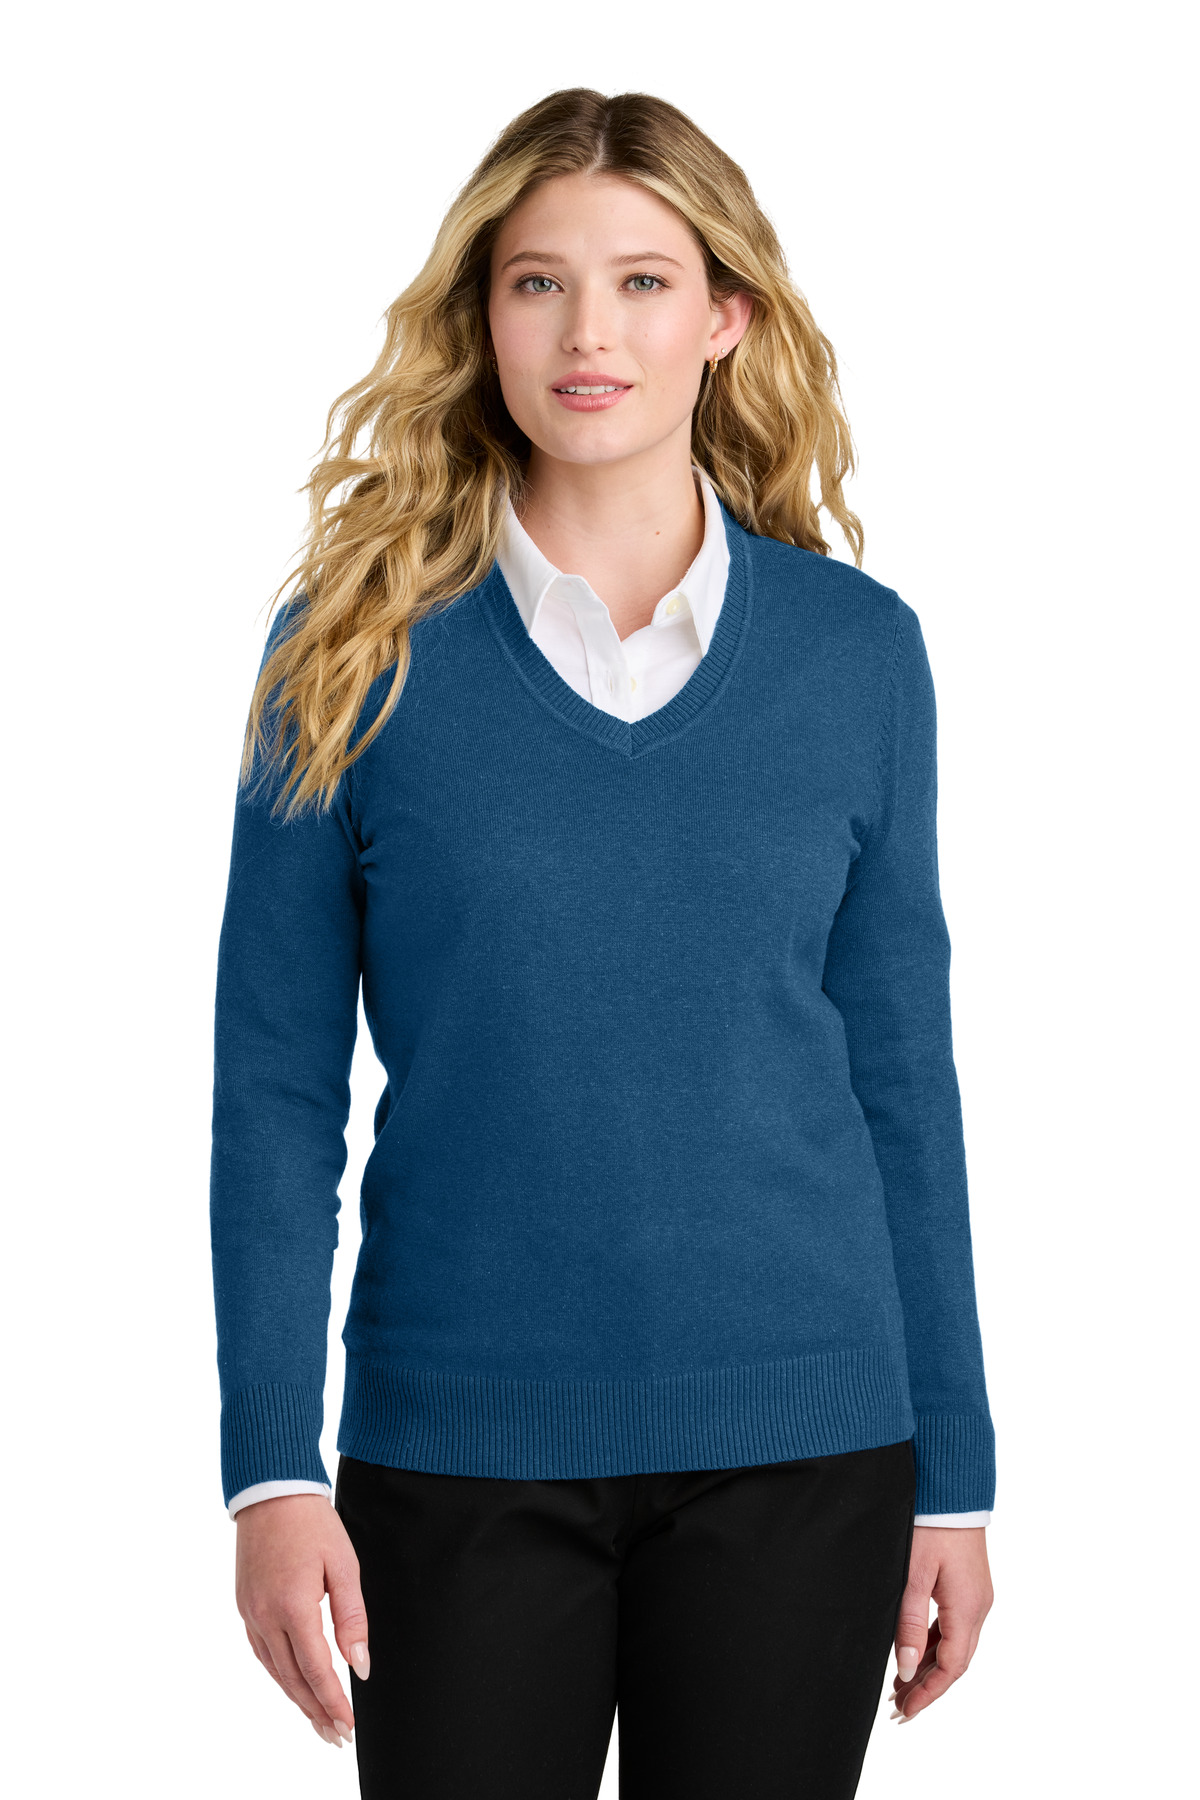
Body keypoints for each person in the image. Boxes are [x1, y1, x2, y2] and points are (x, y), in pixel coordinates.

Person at [210, 86, 996, 1800]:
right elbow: (274, 1084)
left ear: (726, 319)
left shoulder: (858, 655)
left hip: (807, 1452)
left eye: (644, 282)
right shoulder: (349, 654)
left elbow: (901, 1075)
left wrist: (957, 1474)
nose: (589, 333)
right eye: (538, 282)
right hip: (454, 1456)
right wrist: (269, 1470)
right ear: (480, 317)